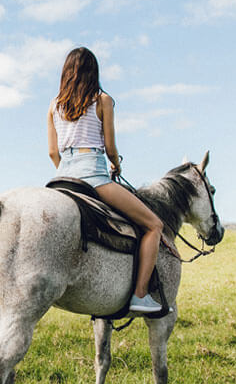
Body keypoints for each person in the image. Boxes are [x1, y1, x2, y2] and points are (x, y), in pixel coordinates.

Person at [47, 46, 166, 313]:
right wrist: (116, 164)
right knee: (154, 225)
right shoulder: (103, 100)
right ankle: (140, 295)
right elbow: (110, 147)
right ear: (94, 72)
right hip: (94, 176)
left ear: (66, 73)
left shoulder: (54, 106)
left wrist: (68, 170)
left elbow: (53, 152)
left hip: (61, 179)